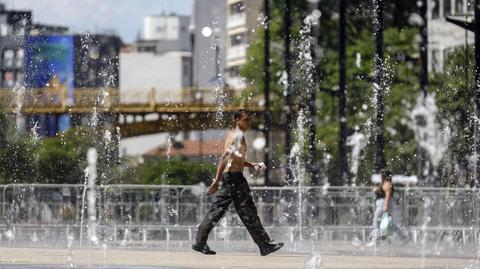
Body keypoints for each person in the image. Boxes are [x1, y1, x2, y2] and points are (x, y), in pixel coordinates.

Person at [192, 109, 284, 256]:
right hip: (234, 178)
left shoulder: (236, 135)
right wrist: (216, 181)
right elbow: (224, 157)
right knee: (248, 210)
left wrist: (252, 165)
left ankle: (199, 241)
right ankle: (264, 245)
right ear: (237, 120)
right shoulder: (237, 136)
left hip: (231, 177)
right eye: (246, 120)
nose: (249, 123)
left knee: (217, 210)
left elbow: (237, 160)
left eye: (250, 120)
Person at [366, 169, 408, 246]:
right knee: (391, 223)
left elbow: (387, 195)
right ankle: (403, 237)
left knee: (376, 221)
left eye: (381, 174)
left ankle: (375, 240)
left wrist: (385, 206)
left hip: (383, 204)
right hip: (384, 204)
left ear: (384, 175)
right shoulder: (385, 183)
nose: (380, 176)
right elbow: (381, 191)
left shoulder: (387, 183)